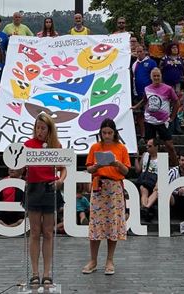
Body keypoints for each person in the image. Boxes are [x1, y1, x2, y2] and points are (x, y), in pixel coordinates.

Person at [82, 118, 130, 276]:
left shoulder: (121, 148)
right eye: (104, 133)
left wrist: (117, 164)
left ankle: (110, 260)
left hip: (114, 188)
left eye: (110, 132)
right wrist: (96, 166)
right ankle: (93, 260)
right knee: (96, 224)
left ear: (114, 133)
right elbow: (89, 168)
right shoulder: (95, 147)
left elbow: (126, 171)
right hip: (99, 186)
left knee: (113, 224)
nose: (107, 135)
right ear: (100, 133)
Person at [23, 113, 67, 286]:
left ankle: (47, 272)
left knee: (48, 232)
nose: (39, 131)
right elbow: (19, 166)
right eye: (37, 127)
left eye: (43, 128)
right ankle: (35, 272)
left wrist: (60, 181)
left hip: (49, 188)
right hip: (34, 188)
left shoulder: (56, 146)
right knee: (34, 232)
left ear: (49, 129)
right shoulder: (27, 145)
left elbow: (63, 170)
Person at [132, 68, 180, 166]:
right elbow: (145, 100)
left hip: (163, 122)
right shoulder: (147, 88)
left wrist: (172, 117)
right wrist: (136, 106)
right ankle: (149, 167)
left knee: (170, 146)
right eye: (154, 76)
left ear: (161, 76)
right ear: (151, 77)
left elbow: (176, 102)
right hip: (149, 121)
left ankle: (177, 167)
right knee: (150, 146)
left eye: (158, 76)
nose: (156, 78)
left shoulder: (168, 89)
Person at [131, 44, 157, 142]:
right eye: (137, 52)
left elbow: (155, 76)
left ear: (145, 51)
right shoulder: (134, 64)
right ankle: (143, 135)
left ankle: (151, 136)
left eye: (141, 51)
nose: (139, 53)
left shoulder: (151, 62)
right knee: (139, 115)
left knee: (150, 114)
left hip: (149, 93)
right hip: (137, 93)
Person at [159, 43, 184, 133]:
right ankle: (168, 122)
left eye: (176, 48)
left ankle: (178, 121)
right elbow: (160, 70)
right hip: (167, 84)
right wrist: (161, 82)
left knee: (179, 102)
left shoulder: (181, 59)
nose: (175, 49)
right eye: (173, 48)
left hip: (178, 84)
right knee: (168, 103)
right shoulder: (164, 59)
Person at [134, 138, 159, 222]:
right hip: (145, 180)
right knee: (143, 189)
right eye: (147, 146)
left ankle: (145, 208)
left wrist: (157, 184)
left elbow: (162, 173)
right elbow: (138, 170)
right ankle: (146, 209)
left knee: (157, 191)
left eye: (150, 146)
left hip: (155, 180)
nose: (147, 147)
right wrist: (136, 158)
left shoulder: (161, 158)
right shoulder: (145, 155)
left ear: (156, 147)